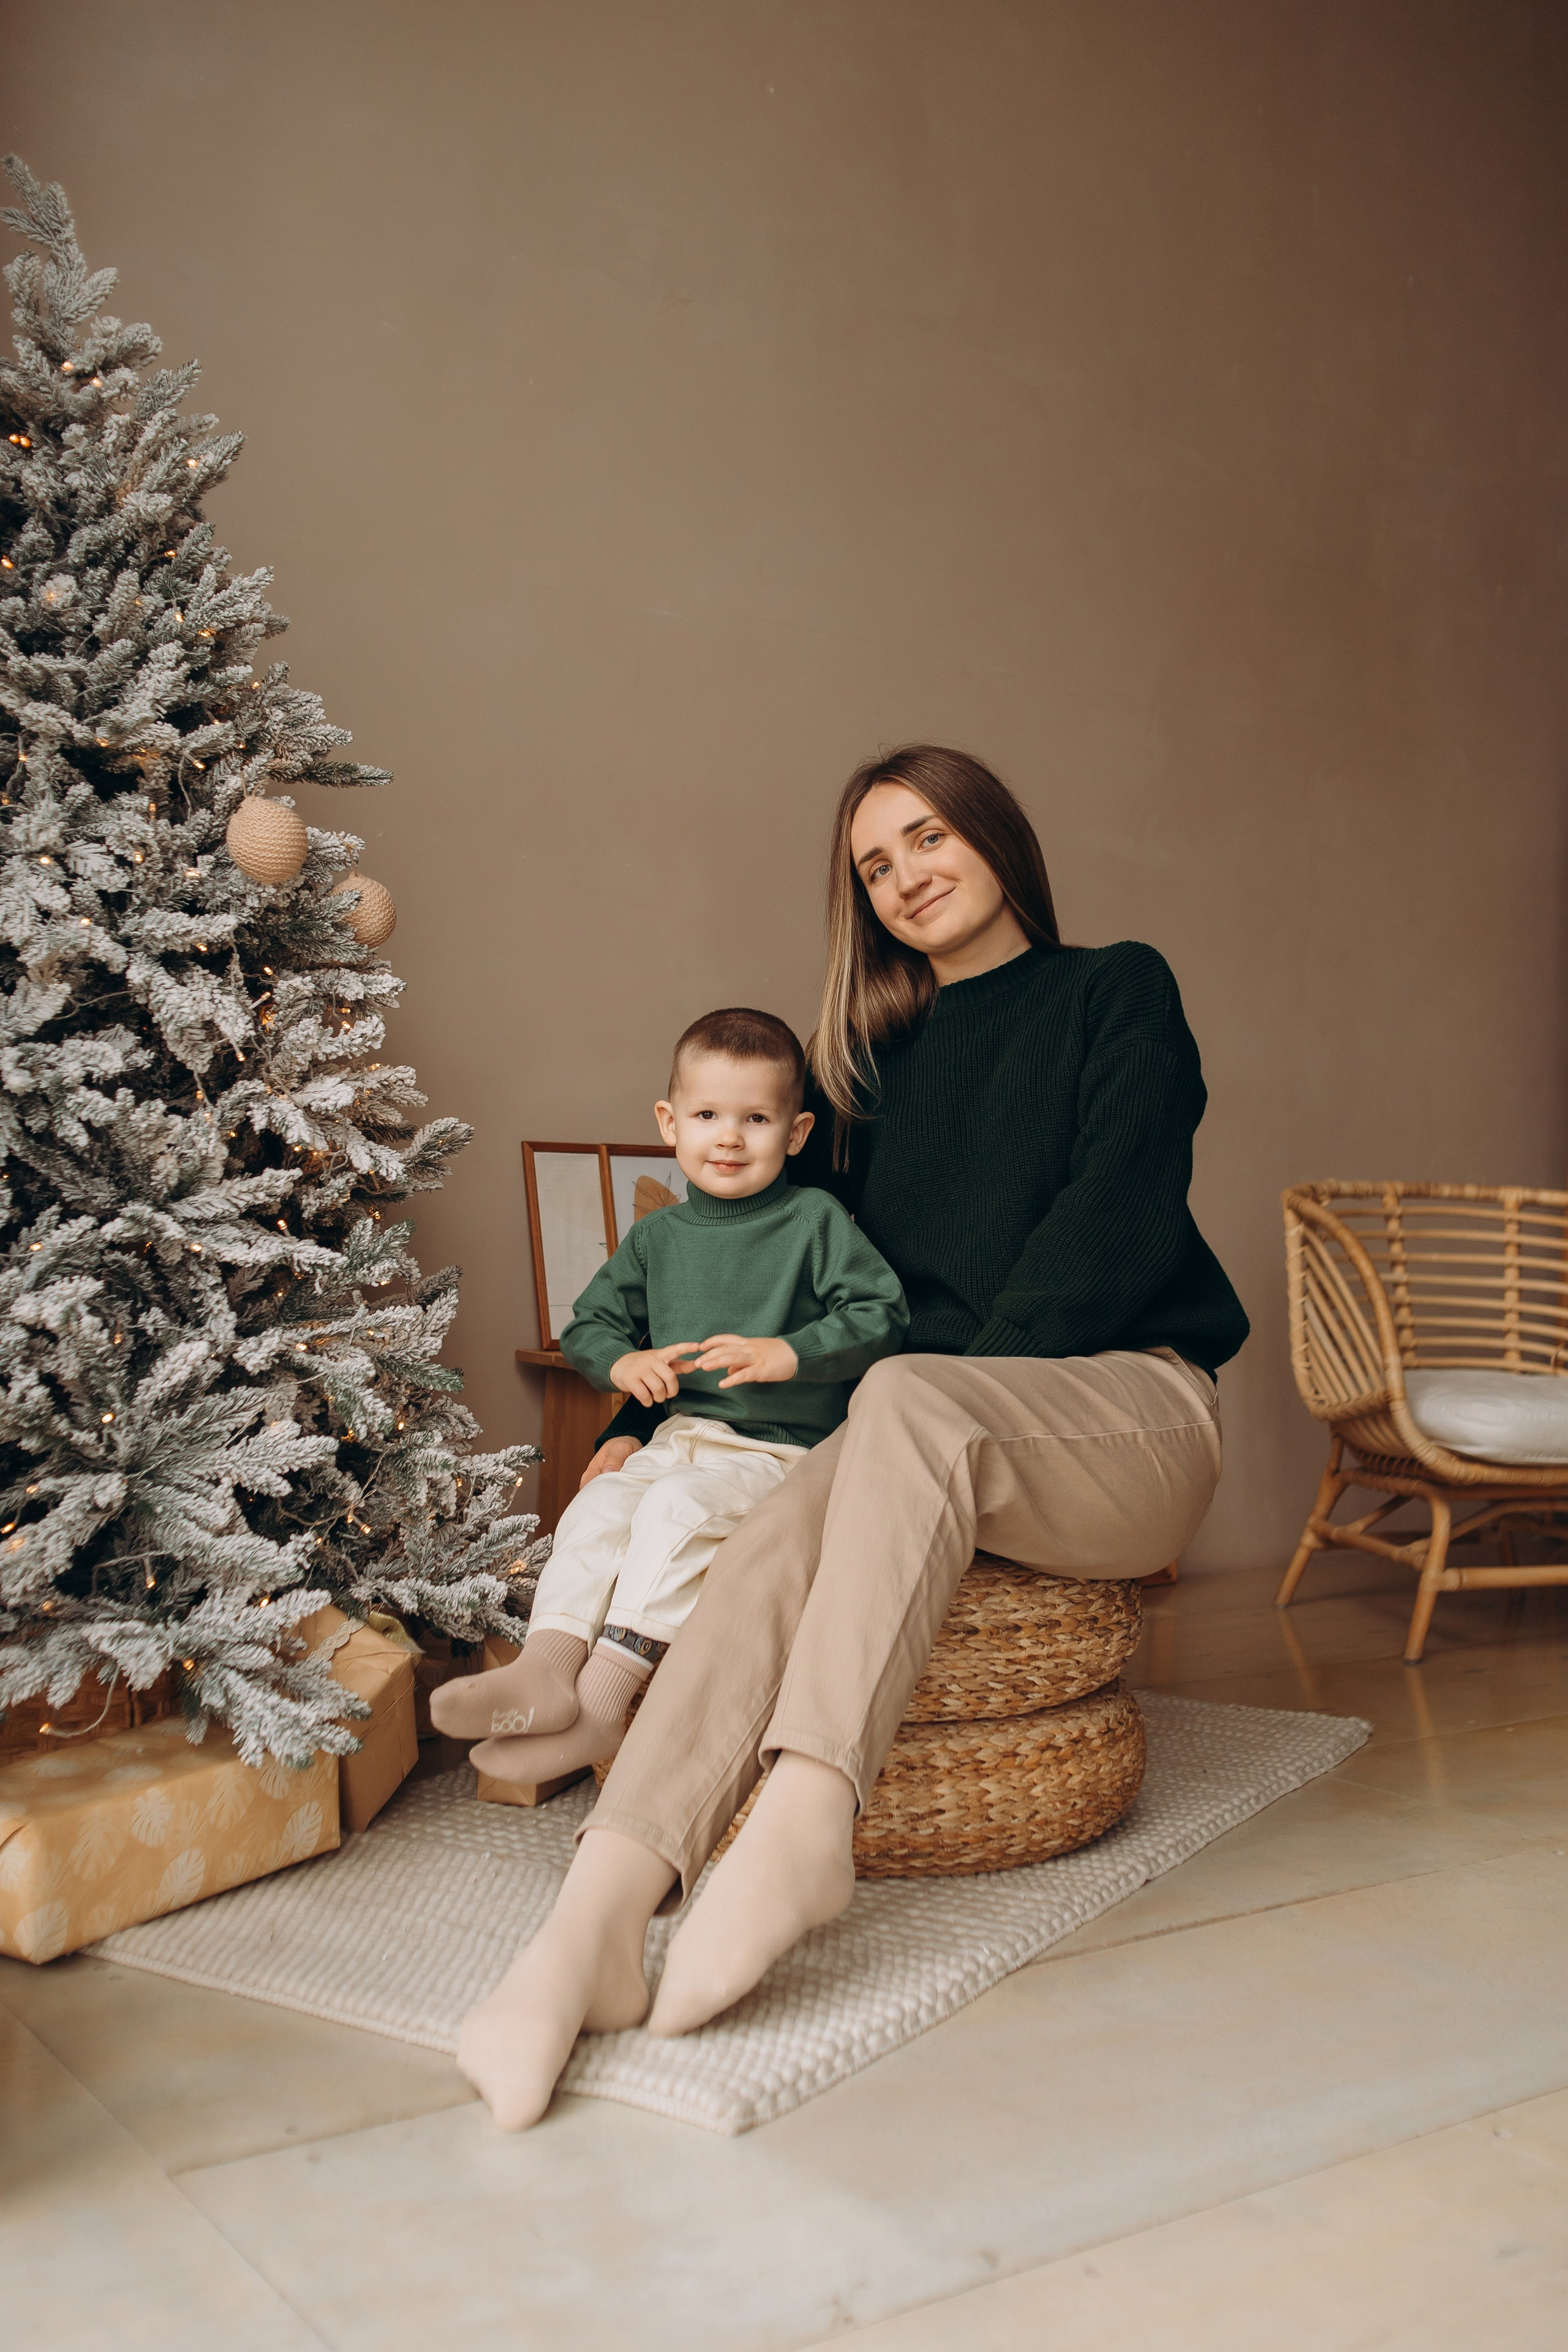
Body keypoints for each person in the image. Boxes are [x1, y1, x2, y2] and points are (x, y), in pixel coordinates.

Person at [457, 744, 1249, 2130]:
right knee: (769, 1524)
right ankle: (591, 1918)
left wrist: (933, 1398)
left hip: (1126, 1408)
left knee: (900, 1402)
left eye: (928, 837)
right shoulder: (867, 1072)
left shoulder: (1113, 986)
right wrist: (667, 1430)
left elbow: (1115, 1209)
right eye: (872, 865)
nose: (904, 877)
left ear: (997, 835)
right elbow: (791, 1292)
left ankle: (807, 1816)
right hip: (932, 1422)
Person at [433, 1006, 908, 1783]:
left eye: (755, 1118)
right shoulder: (657, 1240)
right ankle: (548, 1669)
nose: (729, 1137)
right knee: (600, 1507)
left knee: (673, 1511)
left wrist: (791, 1351)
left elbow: (881, 1315)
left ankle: (600, 1705)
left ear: (795, 1134)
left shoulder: (814, 1221)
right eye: (708, 1115)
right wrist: (622, 1366)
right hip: (678, 1439)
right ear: (670, 1122)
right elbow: (589, 1324)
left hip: (775, 1452)